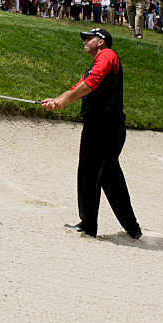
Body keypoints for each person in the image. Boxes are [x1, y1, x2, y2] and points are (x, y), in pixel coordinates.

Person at [42, 28, 142, 240]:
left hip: (104, 127)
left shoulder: (107, 56)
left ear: (101, 41)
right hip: (103, 127)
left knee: (91, 172)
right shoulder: (97, 62)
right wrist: (57, 100)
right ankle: (132, 227)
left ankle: (89, 224)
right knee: (109, 177)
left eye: (89, 38)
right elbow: (80, 86)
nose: (84, 42)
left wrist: (65, 100)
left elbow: (91, 83)